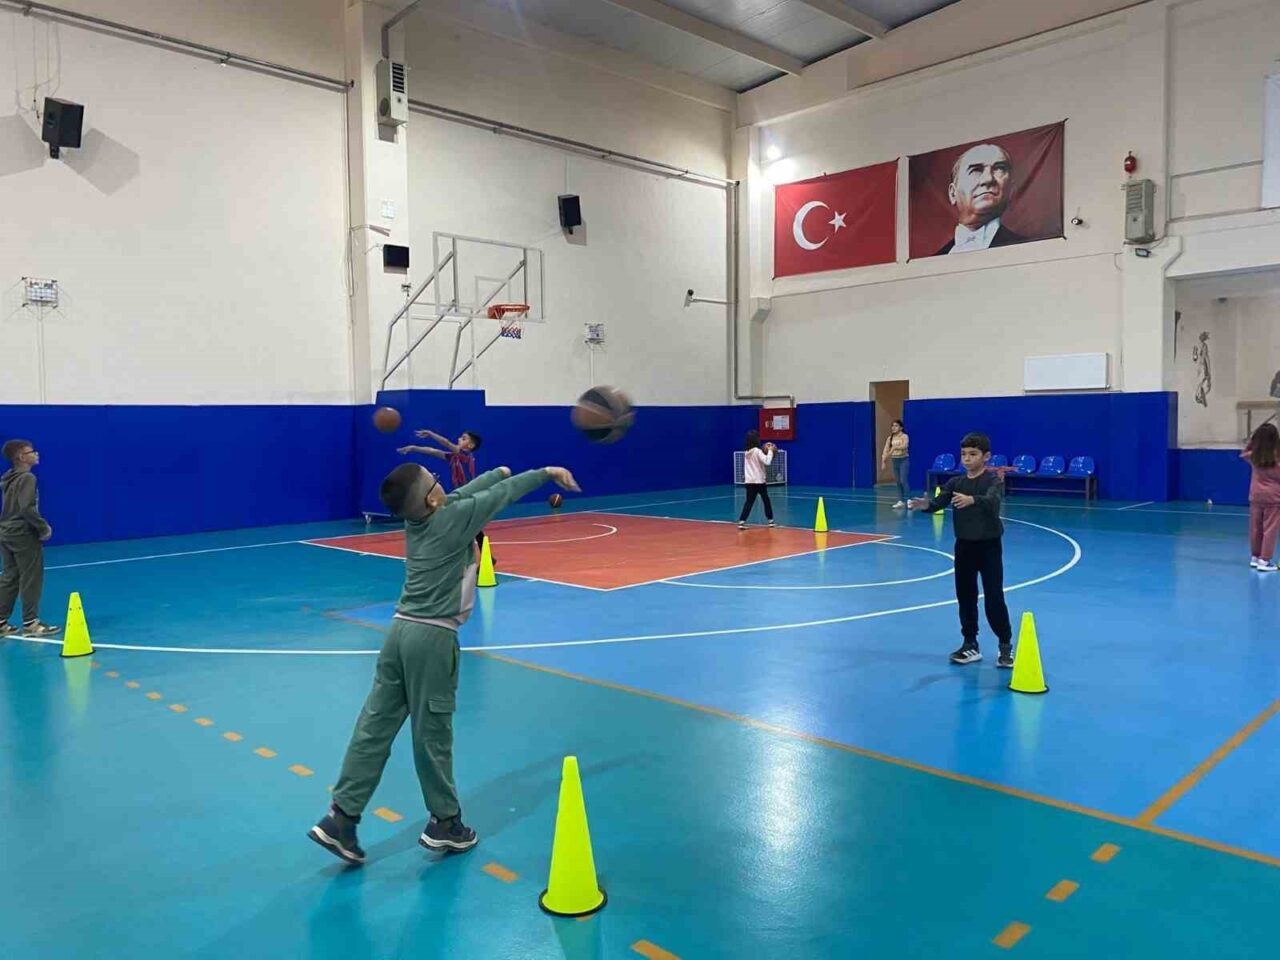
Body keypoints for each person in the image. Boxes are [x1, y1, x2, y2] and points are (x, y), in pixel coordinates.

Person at [309, 460, 581, 865]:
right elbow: (496, 498)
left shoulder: (422, 518)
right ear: (432, 499)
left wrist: (496, 473)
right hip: (432, 640)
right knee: (432, 734)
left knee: (373, 728)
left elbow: (461, 495)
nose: (441, 483)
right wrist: (545, 474)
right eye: (435, 480)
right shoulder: (451, 520)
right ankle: (445, 822)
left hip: (399, 633)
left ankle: (341, 818)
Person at [908, 432, 1012, 666]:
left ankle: (1005, 645)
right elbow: (938, 503)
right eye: (964, 454)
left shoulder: (993, 481)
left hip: (989, 547)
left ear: (986, 456)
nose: (967, 458)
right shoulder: (955, 483)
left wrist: (972, 500)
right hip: (964, 547)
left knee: (994, 597)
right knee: (965, 596)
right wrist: (926, 505)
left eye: (973, 454)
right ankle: (970, 644)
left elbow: (993, 501)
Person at [0, 439, 59, 638]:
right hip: (23, 533)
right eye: (32, 451)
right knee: (31, 577)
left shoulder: (8, 478)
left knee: (10, 576)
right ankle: (31, 623)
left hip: (6, 531)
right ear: (21, 457)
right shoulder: (27, 478)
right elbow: (27, 508)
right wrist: (43, 528)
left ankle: (1, 622)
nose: (36, 454)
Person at [399, 429, 487, 553]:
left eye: (464, 438)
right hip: (461, 494)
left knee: (463, 524)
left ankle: (458, 552)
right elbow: (433, 451)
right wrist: (413, 448)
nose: (459, 439)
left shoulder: (466, 456)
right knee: (469, 525)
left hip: (468, 494)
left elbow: (446, 443)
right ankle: (481, 554)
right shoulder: (454, 457)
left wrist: (430, 434)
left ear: (470, 445)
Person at [935, 143, 1026, 256]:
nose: (988, 179)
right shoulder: (933, 260)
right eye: (975, 170)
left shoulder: (1027, 249)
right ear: (953, 194)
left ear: (1011, 191)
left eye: (999, 169)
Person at [1242, 422, 1280, 572]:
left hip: (1256, 496)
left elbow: (1244, 452)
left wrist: (1252, 442)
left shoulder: (1253, 456)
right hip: (1274, 498)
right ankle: (1265, 560)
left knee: (1255, 528)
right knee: (1269, 529)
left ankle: (1255, 557)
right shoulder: (1277, 459)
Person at [738, 431, 777, 530]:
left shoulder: (746, 452)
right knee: (766, 500)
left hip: (749, 481)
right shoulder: (757, 451)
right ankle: (770, 521)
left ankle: (741, 521)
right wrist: (770, 451)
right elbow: (767, 462)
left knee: (749, 502)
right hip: (759, 481)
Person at [881, 419, 910, 508]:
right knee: (898, 481)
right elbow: (886, 450)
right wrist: (883, 461)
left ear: (901, 428)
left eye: (896, 426)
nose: (893, 427)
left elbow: (905, 446)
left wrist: (895, 448)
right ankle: (900, 500)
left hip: (903, 460)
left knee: (903, 480)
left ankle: (909, 500)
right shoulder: (890, 438)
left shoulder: (904, 436)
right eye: (892, 426)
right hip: (895, 461)